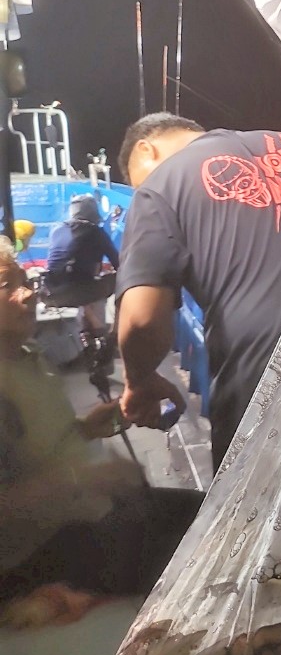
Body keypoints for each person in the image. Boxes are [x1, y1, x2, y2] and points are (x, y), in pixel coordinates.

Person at [115, 113, 281, 469]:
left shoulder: (159, 186)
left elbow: (141, 320)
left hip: (264, 405)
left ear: (146, 150)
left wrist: (138, 381)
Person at [0, 236, 199, 614]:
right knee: (200, 541)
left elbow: (37, 445)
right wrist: (81, 478)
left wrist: (93, 425)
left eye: (24, 282)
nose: (27, 295)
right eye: (7, 286)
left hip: (84, 512)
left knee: (206, 512)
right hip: (40, 553)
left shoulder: (26, 356)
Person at [42, 193, 119, 338]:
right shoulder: (97, 232)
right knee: (120, 279)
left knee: (81, 281)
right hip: (76, 293)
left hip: (49, 293)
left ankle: (90, 320)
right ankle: (112, 332)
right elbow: (119, 264)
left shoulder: (56, 229)